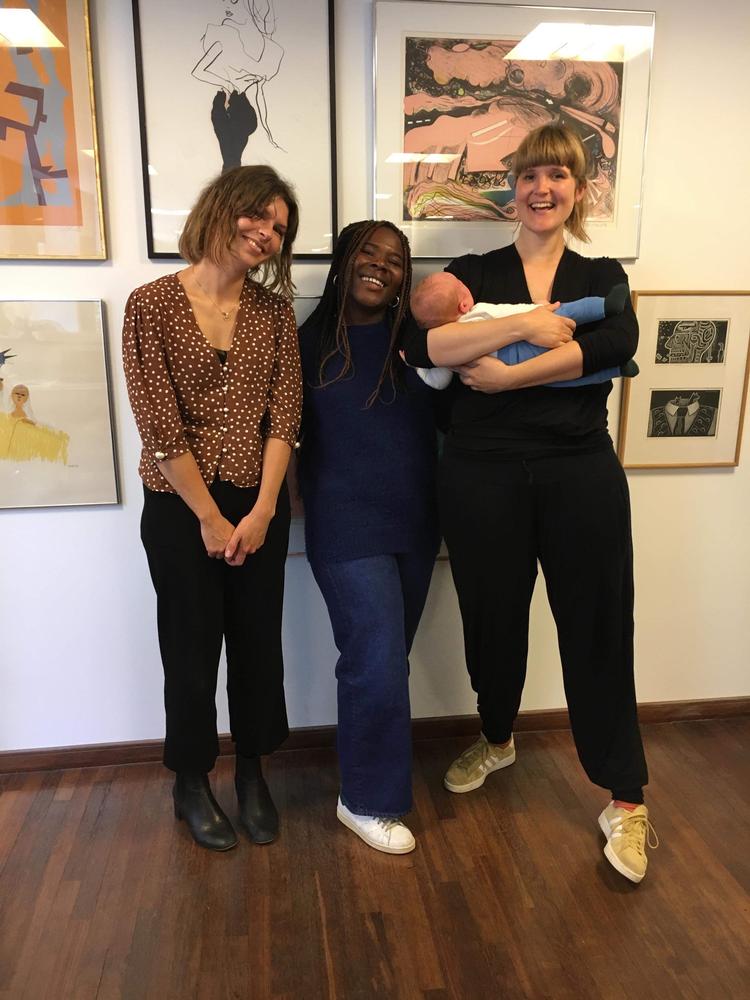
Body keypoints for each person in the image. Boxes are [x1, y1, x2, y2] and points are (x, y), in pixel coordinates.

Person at [402, 124, 657, 884]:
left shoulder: (601, 273)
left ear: (579, 190)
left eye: (558, 176)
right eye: (530, 176)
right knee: (491, 617)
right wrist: (526, 325)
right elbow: (423, 348)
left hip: (580, 471)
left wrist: (510, 375)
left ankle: (628, 800)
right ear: (512, 189)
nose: (542, 189)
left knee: (598, 626)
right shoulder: (473, 271)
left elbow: (617, 343)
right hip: (480, 474)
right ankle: (497, 736)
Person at [122, 165, 301, 851]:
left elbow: (285, 415)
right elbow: (159, 424)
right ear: (222, 209)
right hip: (180, 506)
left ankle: (253, 775)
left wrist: (262, 511)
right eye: (257, 215)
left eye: (279, 227)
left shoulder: (273, 313)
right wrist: (209, 516)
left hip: (258, 504)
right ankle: (191, 782)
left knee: (257, 644)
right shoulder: (151, 305)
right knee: (190, 647)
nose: (266, 232)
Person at [296, 220, 440, 855]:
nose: (380, 265)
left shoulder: (420, 342)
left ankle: (364, 782)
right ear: (344, 260)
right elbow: (282, 433)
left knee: (384, 662)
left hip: (416, 522)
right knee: (376, 660)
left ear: (405, 278)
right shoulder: (306, 344)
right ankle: (366, 800)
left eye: (395, 260)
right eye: (368, 252)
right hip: (345, 526)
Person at [410, 271, 635, 389]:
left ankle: (616, 370)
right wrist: (534, 313)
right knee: (566, 311)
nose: (464, 283)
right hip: (523, 345)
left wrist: (419, 369)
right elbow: (509, 311)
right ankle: (604, 306)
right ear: (463, 304)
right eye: (461, 285)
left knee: (558, 381)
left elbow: (438, 381)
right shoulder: (480, 310)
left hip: (512, 359)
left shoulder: (447, 345)